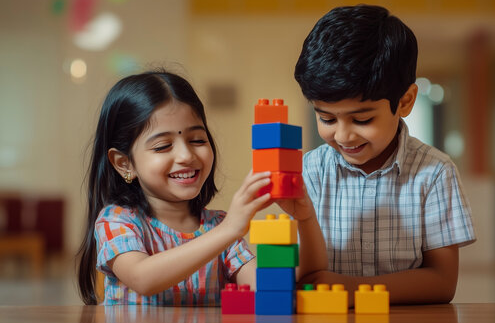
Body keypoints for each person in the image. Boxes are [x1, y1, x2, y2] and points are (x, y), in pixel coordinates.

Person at [76, 69, 327, 305]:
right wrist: (229, 230)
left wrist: (306, 219)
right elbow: (143, 278)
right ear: (124, 163)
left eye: (197, 140)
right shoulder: (117, 221)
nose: (186, 155)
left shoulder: (218, 227)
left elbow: (272, 288)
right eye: (163, 146)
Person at [294, 4, 476, 305]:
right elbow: (300, 273)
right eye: (327, 119)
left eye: (362, 119)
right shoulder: (309, 171)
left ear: (404, 102)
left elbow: (443, 282)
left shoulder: (435, 172)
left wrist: (352, 290)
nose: (343, 135)